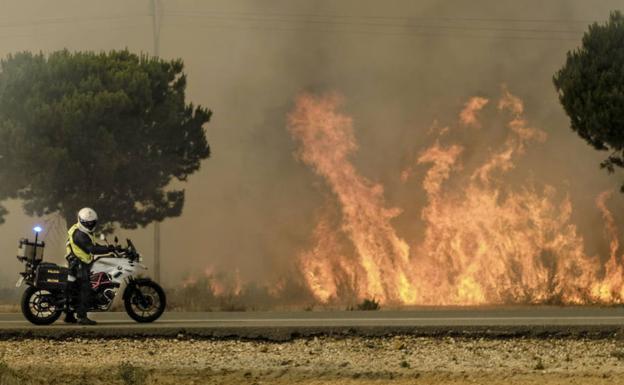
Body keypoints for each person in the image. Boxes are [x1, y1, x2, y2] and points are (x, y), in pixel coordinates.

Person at [64, 207, 114, 325]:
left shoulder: (83, 232)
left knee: (75, 290)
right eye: (88, 223)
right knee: (85, 288)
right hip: (78, 263)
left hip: (80, 262)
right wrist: (108, 249)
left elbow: (92, 244)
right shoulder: (79, 234)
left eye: (92, 223)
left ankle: (69, 316)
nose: (90, 225)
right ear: (81, 221)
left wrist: (107, 248)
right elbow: (91, 248)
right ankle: (82, 316)